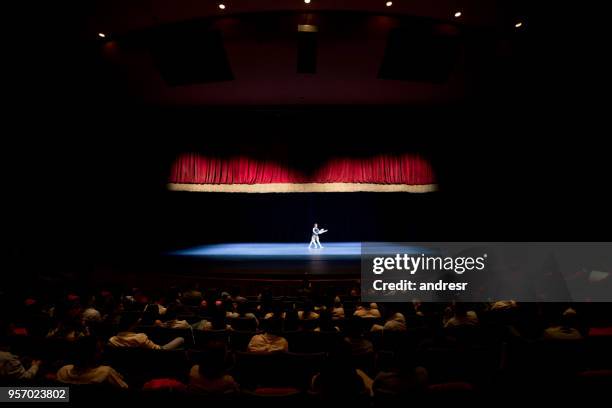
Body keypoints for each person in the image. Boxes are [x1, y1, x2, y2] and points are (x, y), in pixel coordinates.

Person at [56, 336, 128, 388]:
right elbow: (124, 388)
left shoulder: (63, 372)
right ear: (90, 354)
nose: (102, 352)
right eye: (99, 350)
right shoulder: (105, 373)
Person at [108, 312, 184, 350]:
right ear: (132, 325)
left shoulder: (112, 340)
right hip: (160, 353)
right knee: (181, 339)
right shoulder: (141, 337)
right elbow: (157, 350)